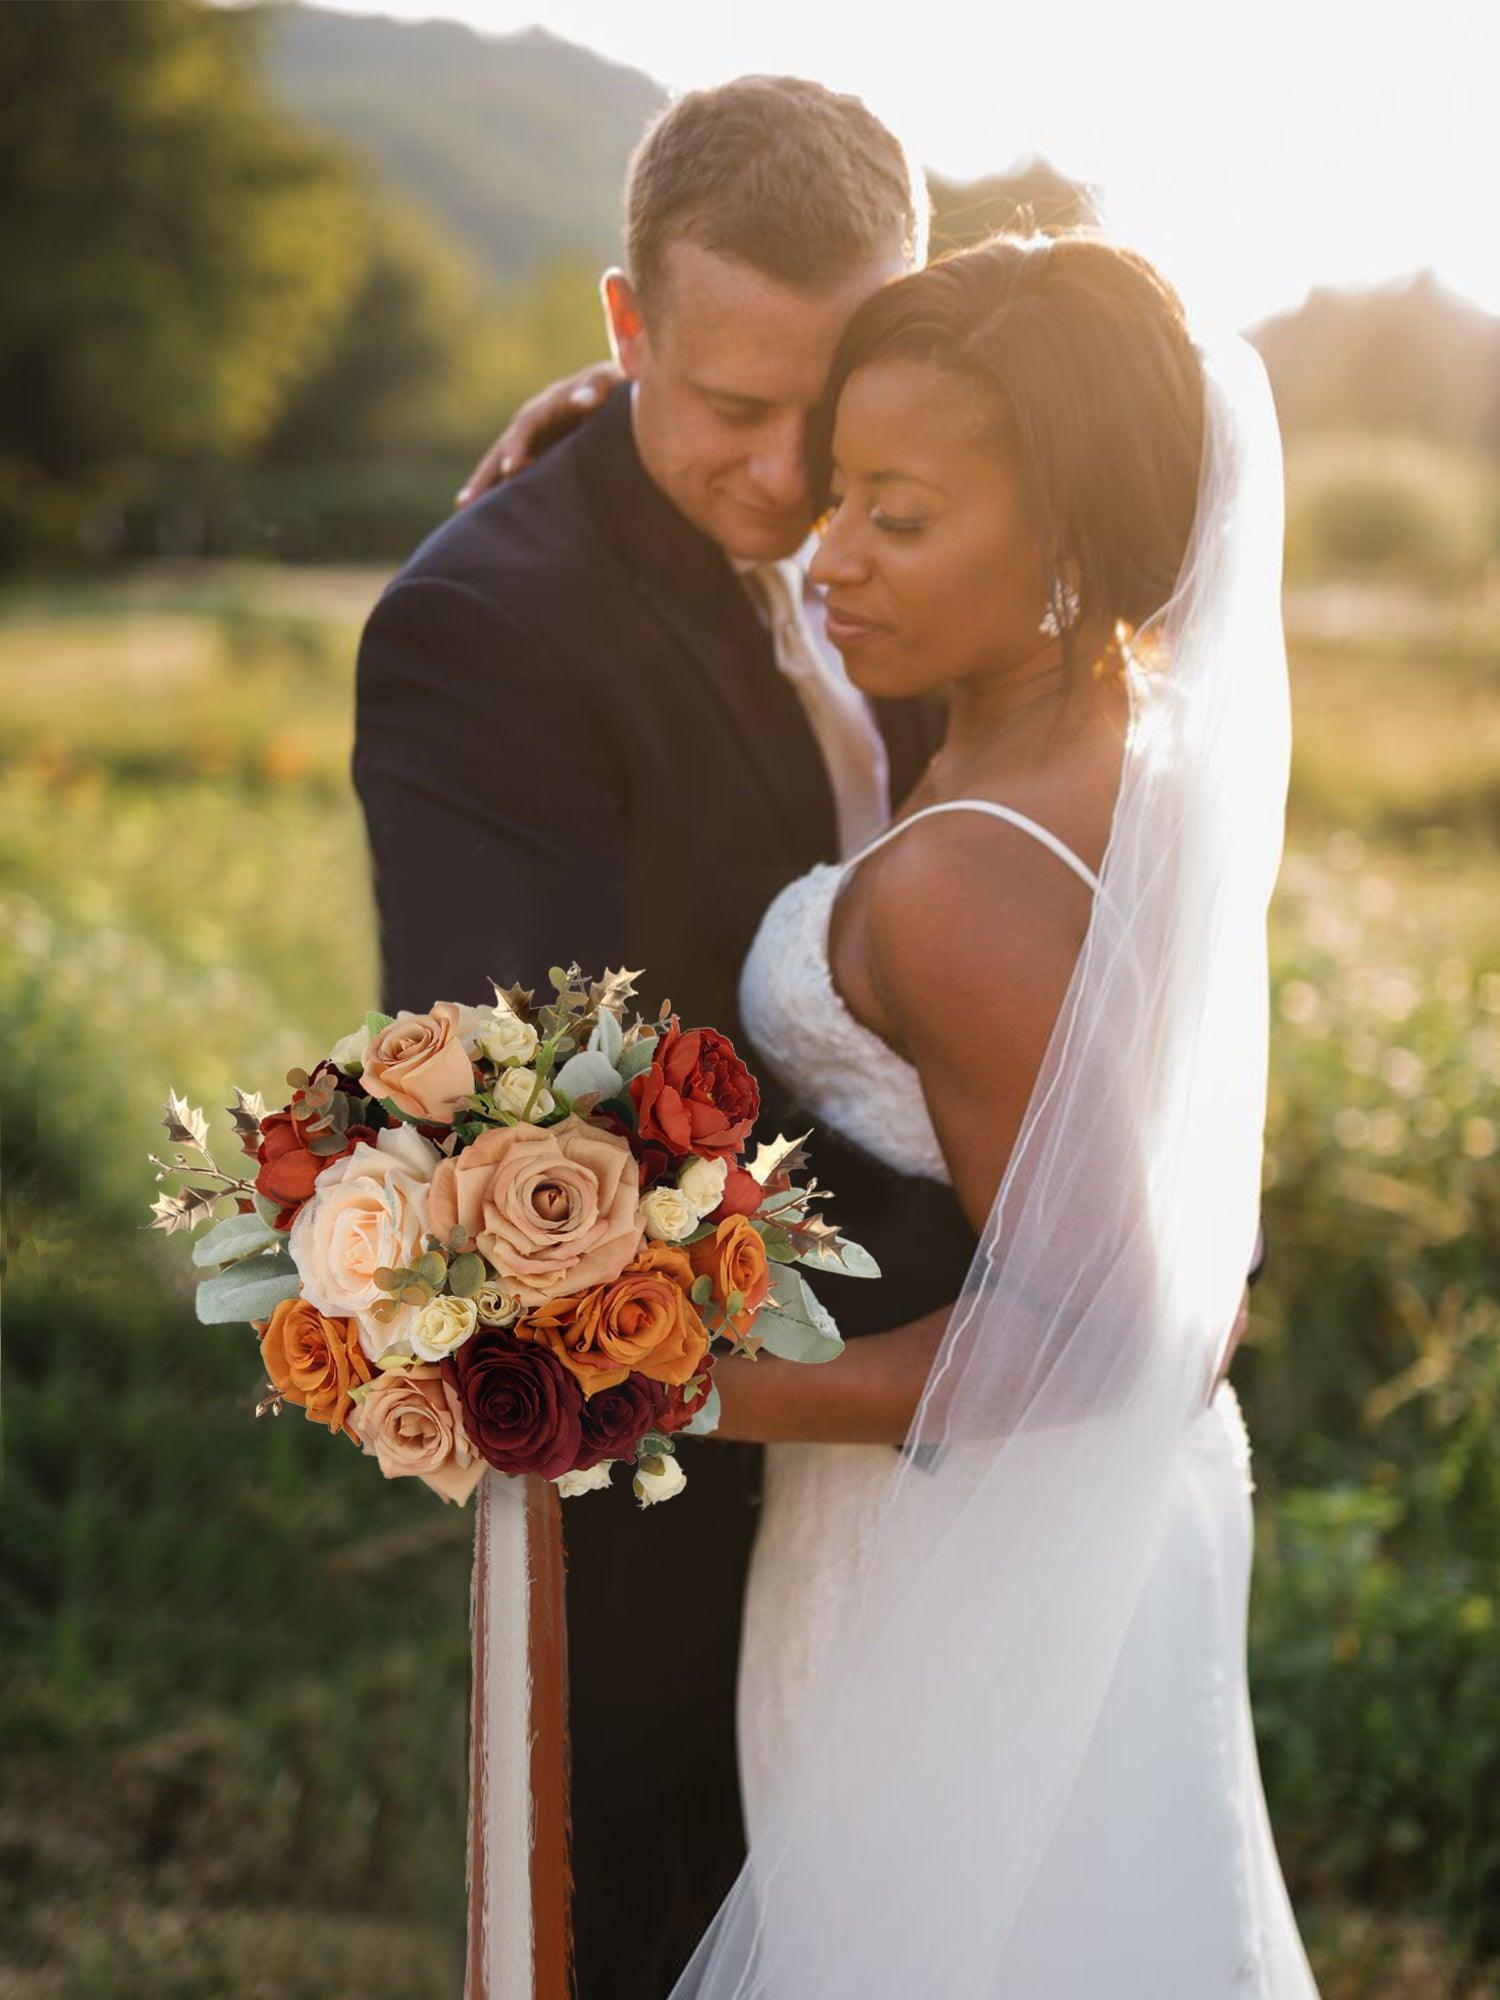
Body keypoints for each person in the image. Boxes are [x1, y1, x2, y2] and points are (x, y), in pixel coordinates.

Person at [352, 76, 981, 2000]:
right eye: (729, 406)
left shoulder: (944, 509)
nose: (799, 474)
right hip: (687, 1473)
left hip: (979, 1477)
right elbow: (529, 1145)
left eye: (838, 391)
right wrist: (998, 1319)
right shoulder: (490, 627)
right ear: (625, 332)